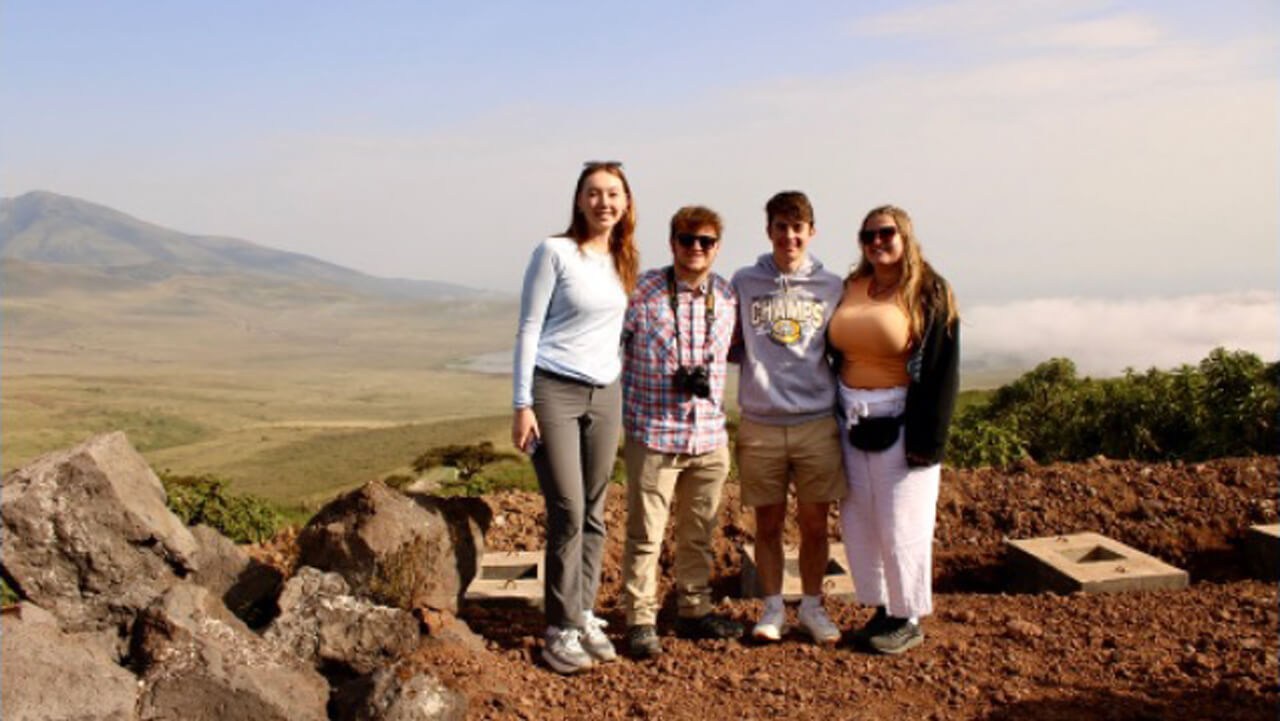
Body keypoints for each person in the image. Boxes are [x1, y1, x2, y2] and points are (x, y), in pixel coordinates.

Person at [511, 161, 639, 674]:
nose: (603, 202)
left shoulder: (624, 259)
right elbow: (528, 327)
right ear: (579, 200)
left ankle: (582, 611)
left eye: (613, 193)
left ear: (627, 203)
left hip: (606, 393)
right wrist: (522, 404)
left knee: (593, 509)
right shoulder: (554, 252)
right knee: (565, 506)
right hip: (554, 390)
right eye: (594, 193)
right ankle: (559, 629)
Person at [827, 204, 959, 655]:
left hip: (904, 419)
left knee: (904, 522)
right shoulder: (852, 287)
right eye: (868, 235)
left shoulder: (929, 292)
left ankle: (909, 616)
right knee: (862, 520)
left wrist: (929, 442)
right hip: (851, 417)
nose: (876, 242)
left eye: (885, 233)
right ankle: (883, 607)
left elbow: (942, 373)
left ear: (904, 235)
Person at [619, 206, 743, 659]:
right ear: (672, 242)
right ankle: (640, 619)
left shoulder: (728, 296)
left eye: (705, 241)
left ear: (717, 247)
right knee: (645, 534)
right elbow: (608, 347)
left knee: (698, 532)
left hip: (708, 437)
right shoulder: (642, 291)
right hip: (653, 434)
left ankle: (693, 609)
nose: (696, 248)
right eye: (687, 239)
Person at [731, 190, 845, 645]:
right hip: (760, 421)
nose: (790, 236)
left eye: (798, 228)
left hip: (816, 420)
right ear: (769, 231)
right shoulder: (744, 282)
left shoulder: (832, 286)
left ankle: (813, 606)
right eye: (781, 227)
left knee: (816, 522)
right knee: (768, 524)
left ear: (811, 232)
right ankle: (774, 607)